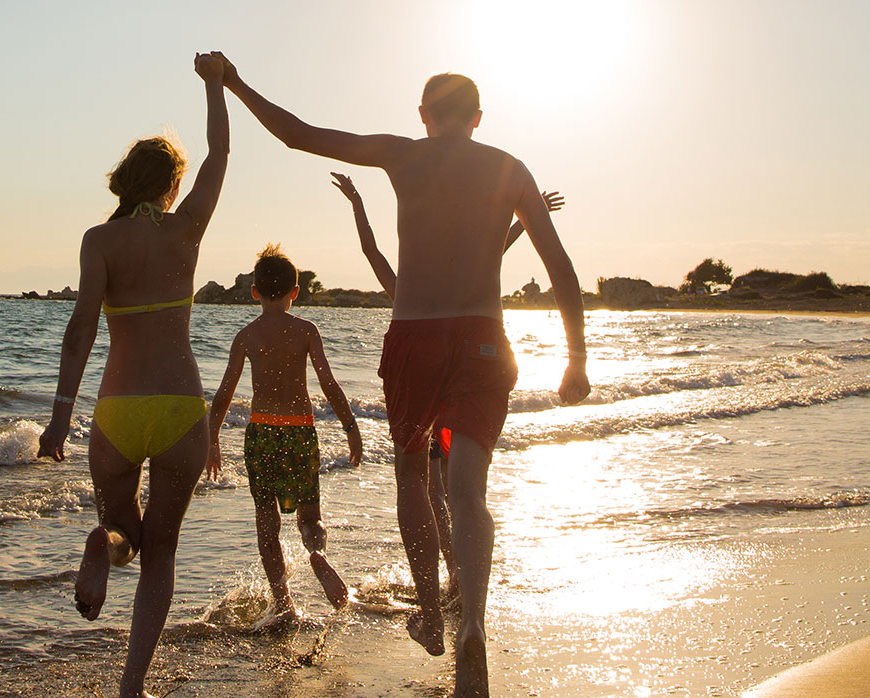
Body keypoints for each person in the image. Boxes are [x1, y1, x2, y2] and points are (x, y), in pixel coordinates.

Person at [220, 57, 590, 697]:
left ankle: (428, 610)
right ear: (478, 119)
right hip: (482, 338)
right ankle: (471, 619)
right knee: (469, 489)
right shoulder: (510, 167)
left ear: (423, 117)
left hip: (416, 338)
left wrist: (232, 82)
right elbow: (559, 265)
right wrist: (575, 358)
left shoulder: (403, 154)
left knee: (414, 476)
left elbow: (296, 134)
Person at [36, 52, 229, 698]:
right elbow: (220, 156)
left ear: (124, 181)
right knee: (164, 552)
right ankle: (131, 686)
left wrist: (61, 416)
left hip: (117, 412)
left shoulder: (99, 241)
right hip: (180, 408)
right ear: (169, 187)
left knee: (128, 535)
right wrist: (214, 87)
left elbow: (80, 331)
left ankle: (105, 541)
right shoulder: (186, 230)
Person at [332, 172, 563, 603]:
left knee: (428, 490)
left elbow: (371, 250)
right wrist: (531, 217)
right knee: (460, 491)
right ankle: (460, 577)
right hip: (461, 390)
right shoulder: (452, 295)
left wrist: (357, 203)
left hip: (423, 395)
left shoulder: (402, 292)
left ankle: (447, 579)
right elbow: (494, 249)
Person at [204, 244, 364, 626]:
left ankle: (284, 602)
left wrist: (212, 441)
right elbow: (329, 384)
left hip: (261, 433)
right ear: (296, 291)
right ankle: (318, 555)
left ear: (255, 292)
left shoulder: (245, 336)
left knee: (266, 523)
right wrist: (350, 427)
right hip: (299, 433)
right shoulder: (306, 331)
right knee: (310, 515)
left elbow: (224, 394)